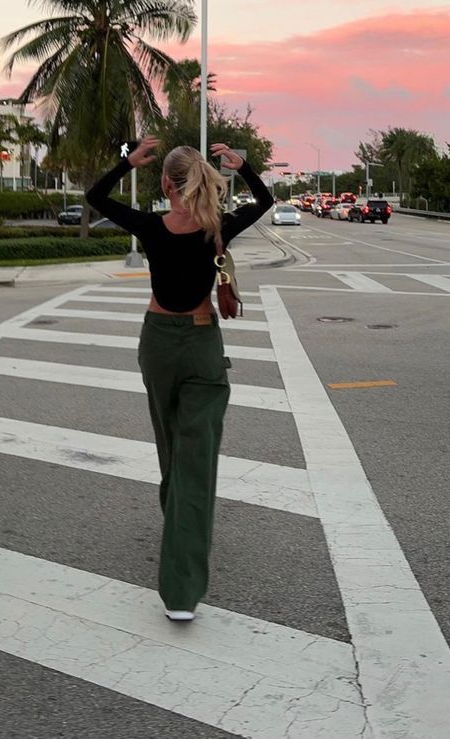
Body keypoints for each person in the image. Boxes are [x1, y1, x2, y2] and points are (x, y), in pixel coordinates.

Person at [86, 138, 273, 621]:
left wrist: (125, 163)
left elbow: (97, 198)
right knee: (194, 460)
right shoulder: (218, 228)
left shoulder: (150, 226)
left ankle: (181, 537)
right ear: (204, 181)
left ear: (166, 183)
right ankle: (182, 586)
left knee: (173, 450)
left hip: (157, 346)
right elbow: (267, 201)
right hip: (201, 344)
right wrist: (244, 166)